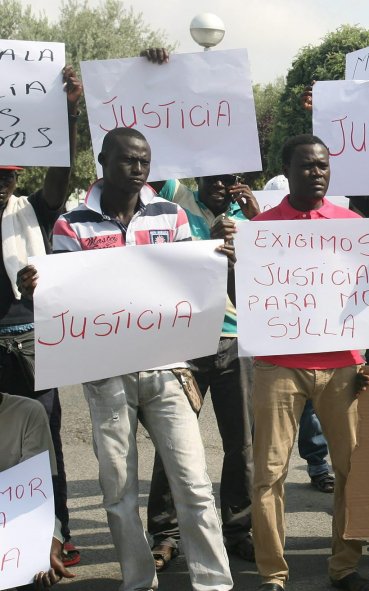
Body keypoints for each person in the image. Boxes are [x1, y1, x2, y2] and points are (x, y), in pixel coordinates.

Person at [212, 133, 369, 591]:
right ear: (286, 171)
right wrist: (233, 265)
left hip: (342, 366)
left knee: (351, 470)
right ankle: (273, 574)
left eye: (324, 166)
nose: (317, 172)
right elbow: (243, 301)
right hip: (277, 365)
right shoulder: (261, 230)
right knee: (269, 473)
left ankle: (344, 567)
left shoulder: (353, 223)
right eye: (307, 165)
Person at [31, 127, 234, 591]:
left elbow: (192, 283)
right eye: (128, 160)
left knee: (194, 484)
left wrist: (218, 259)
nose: (139, 168)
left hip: (168, 370)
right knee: (119, 492)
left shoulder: (172, 214)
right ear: (103, 161)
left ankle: (215, 583)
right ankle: (138, 582)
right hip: (106, 377)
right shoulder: (72, 224)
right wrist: (39, 289)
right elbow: (66, 296)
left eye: (145, 160)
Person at [135, 47, 259, 568]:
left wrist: (252, 232)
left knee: (243, 446)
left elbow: (274, 282)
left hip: (233, 341)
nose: (223, 186)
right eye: (215, 179)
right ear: (198, 177)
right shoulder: (175, 199)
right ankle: (166, 534)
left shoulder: (246, 218)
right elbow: (153, 148)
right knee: (174, 439)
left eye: (231, 180)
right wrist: (156, 77)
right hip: (184, 340)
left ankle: (239, 531)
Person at [0, 66, 82, 569]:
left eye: (7, 175)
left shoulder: (30, 211)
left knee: (44, 445)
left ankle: (55, 535)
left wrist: (67, 112)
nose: (1, 184)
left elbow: (61, 178)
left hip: (30, 344)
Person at [0, 391, 75, 590]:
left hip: (12, 531)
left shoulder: (27, 412)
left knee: (34, 573)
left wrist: (52, 539)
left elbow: (37, 496)